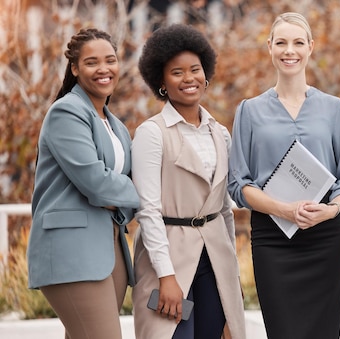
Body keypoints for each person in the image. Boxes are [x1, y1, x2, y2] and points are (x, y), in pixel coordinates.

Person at [227, 12, 340, 339]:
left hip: (325, 237)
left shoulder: (333, 108)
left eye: (298, 42)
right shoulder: (249, 110)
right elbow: (239, 184)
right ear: (269, 47)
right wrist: (284, 210)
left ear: (311, 47)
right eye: (282, 42)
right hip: (273, 241)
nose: (290, 50)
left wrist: (330, 210)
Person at [131, 24, 246, 339]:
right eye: (177, 72)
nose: (189, 78)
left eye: (195, 69)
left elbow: (223, 209)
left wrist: (231, 275)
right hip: (169, 255)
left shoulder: (220, 133)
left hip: (214, 257)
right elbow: (148, 210)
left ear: (206, 74)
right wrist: (165, 276)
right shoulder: (151, 133)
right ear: (162, 83)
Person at [27, 28, 140, 339]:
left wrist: (121, 197)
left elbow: (118, 184)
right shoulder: (66, 112)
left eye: (110, 60)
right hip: (72, 250)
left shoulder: (114, 124)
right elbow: (96, 183)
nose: (103, 69)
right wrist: (145, 196)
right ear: (75, 68)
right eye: (92, 62)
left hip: (109, 247)